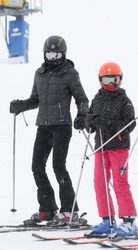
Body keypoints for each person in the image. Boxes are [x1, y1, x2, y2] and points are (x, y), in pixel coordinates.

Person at [9, 35, 89, 225]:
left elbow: (82, 99)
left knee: (58, 167)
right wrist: (21, 105)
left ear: (63, 54)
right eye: (49, 54)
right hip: (43, 127)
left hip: (62, 126)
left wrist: (81, 116)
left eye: (56, 54)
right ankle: (47, 208)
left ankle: (69, 211)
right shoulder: (40, 73)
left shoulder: (70, 73)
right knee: (37, 166)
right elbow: (35, 100)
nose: (52, 58)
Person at [85, 62, 138, 237]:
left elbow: (130, 123)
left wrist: (108, 124)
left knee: (120, 182)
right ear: (100, 80)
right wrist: (87, 122)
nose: (110, 84)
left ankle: (129, 221)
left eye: (114, 79)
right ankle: (107, 219)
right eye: (107, 79)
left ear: (120, 80)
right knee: (99, 182)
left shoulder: (124, 100)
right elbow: (91, 118)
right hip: (101, 147)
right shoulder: (97, 98)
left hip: (119, 147)